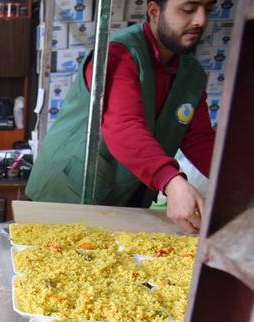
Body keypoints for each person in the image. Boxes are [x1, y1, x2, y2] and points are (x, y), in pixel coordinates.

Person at [25, 0, 216, 234]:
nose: (200, 20)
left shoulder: (191, 73)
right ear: (154, 12)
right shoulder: (118, 54)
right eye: (188, 9)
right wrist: (171, 181)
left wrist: (239, 184)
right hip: (67, 193)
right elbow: (124, 128)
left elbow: (200, 139)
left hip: (123, 200)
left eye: (208, 10)